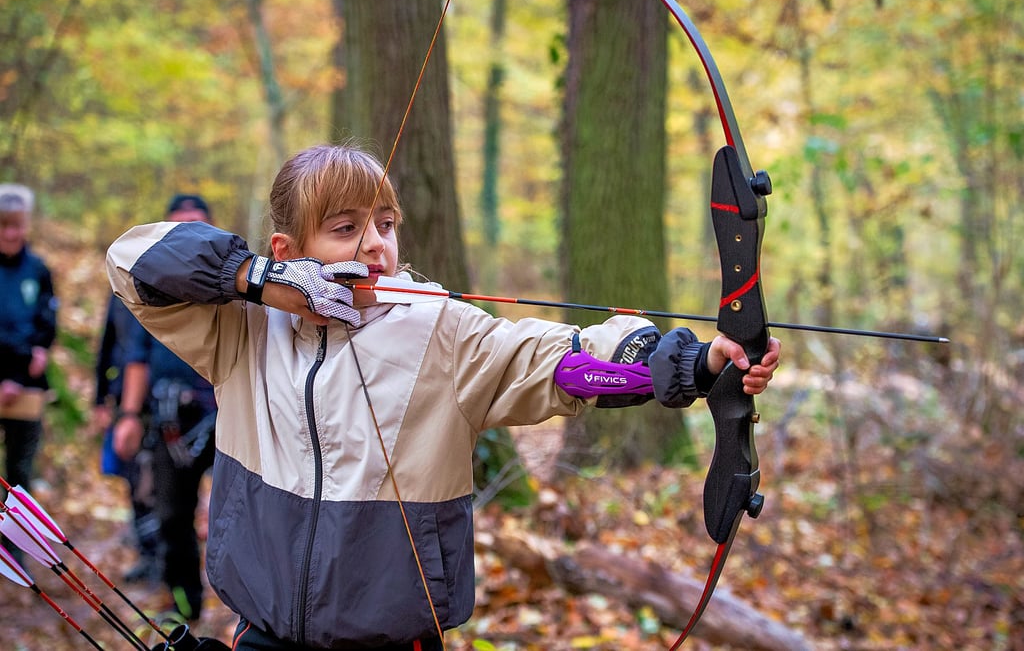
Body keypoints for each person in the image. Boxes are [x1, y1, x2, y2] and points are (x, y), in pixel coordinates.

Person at [106, 144, 781, 651]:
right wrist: (254, 280)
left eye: (385, 225)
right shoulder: (243, 328)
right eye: (345, 229)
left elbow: (558, 363)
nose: (374, 245)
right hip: (264, 635)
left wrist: (691, 365)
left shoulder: (440, 331)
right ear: (290, 249)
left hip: (396, 641)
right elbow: (131, 261)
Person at [111, 194, 219, 622]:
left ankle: (254, 614)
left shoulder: (233, 285)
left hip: (226, 414)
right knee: (172, 514)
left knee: (244, 513)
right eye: (179, 227)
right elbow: (135, 358)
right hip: (170, 420)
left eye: (197, 224)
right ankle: (184, 606)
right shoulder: (149, 290)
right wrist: (129, 416)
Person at [0, 183, 57, 562]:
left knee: (20, 471)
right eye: (4, 225)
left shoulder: (38, 269)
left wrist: (38, 351)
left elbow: (46, 321)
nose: (11, 233)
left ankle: (15, 550)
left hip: (28, 388)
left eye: (16, 225)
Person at [92, 292, 163, 583]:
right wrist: (100, 398)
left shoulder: (166, 286)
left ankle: (162, 558)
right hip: (127, 403)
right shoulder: (119, 292)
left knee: (159, 484)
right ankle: (147, 553)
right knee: (134, 481)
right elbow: (108, 342)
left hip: (159, 403)